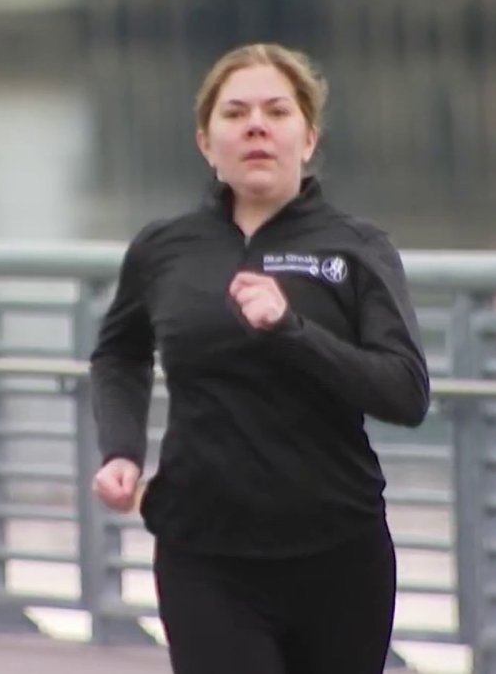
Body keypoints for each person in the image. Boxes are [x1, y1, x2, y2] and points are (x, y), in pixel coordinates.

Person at [88, 42, 431, 674]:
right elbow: (119, 352)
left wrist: (291, 330)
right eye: (235, 113)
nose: (255, 126)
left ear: (308, 139)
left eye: (277, 112)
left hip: (337, 553)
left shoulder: (354, 248)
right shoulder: (165, 249)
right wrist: (121, 450)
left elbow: (405, 393)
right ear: (205, 142)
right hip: (203, 551)